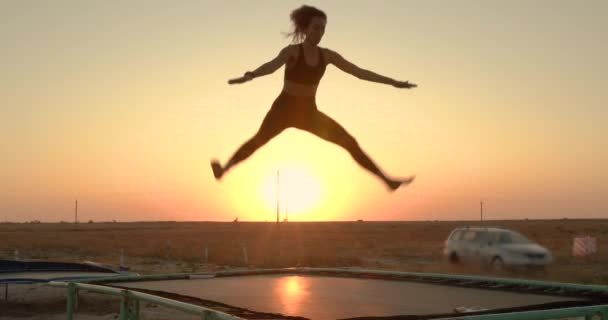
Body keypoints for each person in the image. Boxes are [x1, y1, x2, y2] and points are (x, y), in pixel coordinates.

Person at [211, 5, 417, 192]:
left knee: (349, 142)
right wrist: (251, 75)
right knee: (257, 141)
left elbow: (359, 72)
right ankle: (224, 169)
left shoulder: (327, 56)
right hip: (282, 110)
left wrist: (393, 82)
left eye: (323, 29)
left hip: (308, 114)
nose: (319, 33)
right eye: (316, 28)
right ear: (306, 29)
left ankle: (387, 181)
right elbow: (272, 66)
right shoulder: (292, 51)